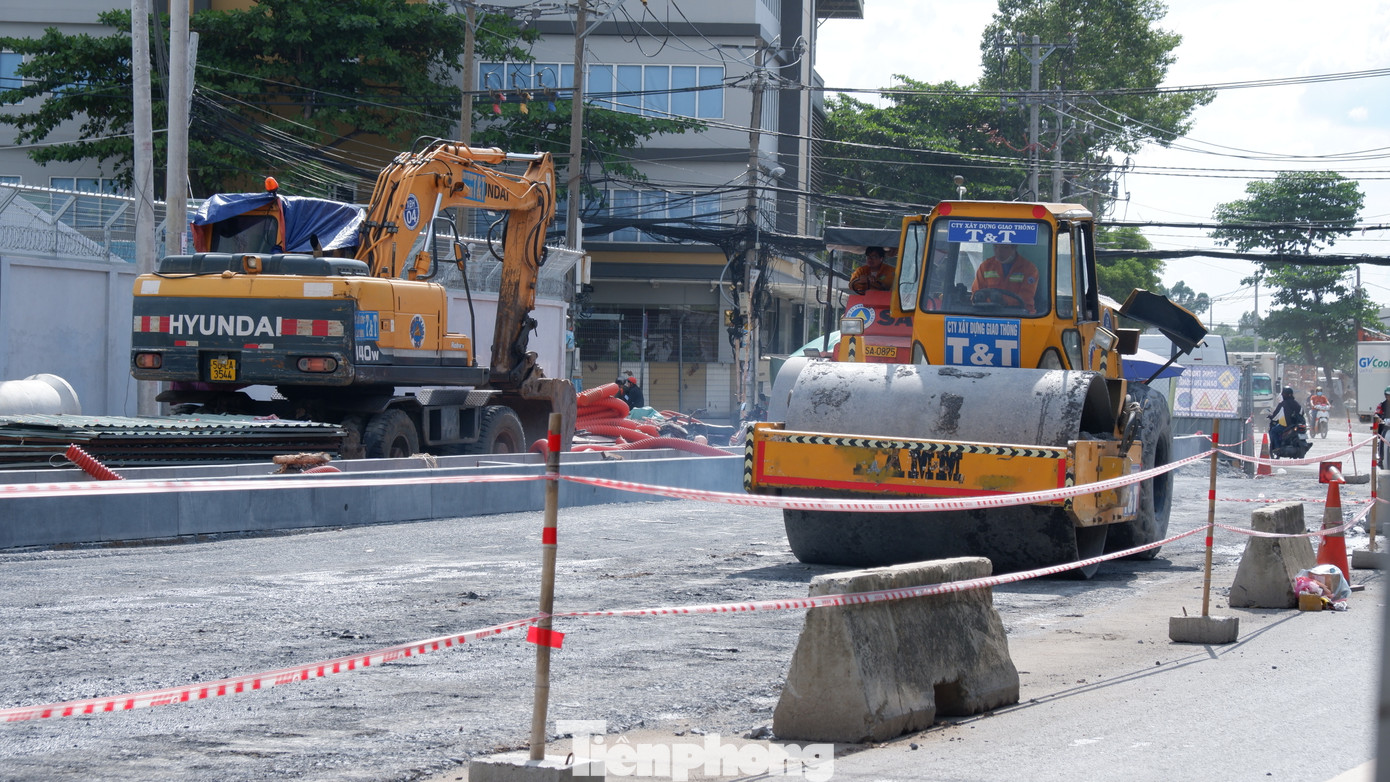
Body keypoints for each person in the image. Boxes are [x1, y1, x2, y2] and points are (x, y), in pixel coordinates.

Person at [970, 242, 1039, 313]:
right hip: (990, 313)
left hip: (1021, 314)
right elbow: (976, 292)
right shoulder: (986, 266)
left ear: (1014, 248)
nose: (999, 252)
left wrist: (1001, 299)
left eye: (1004, 248)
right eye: (995, 247)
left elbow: (1026, 298)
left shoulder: (1029, 269)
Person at [1268, 386, 1304, 451]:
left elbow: (1276, 415)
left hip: (1286, 425)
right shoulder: (1295, 403)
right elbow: (1302, 412)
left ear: (1284, 394)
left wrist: (1271, 417)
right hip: (1296, 424)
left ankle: (1277, 447)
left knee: (1273, 431)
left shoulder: (1283, 403)